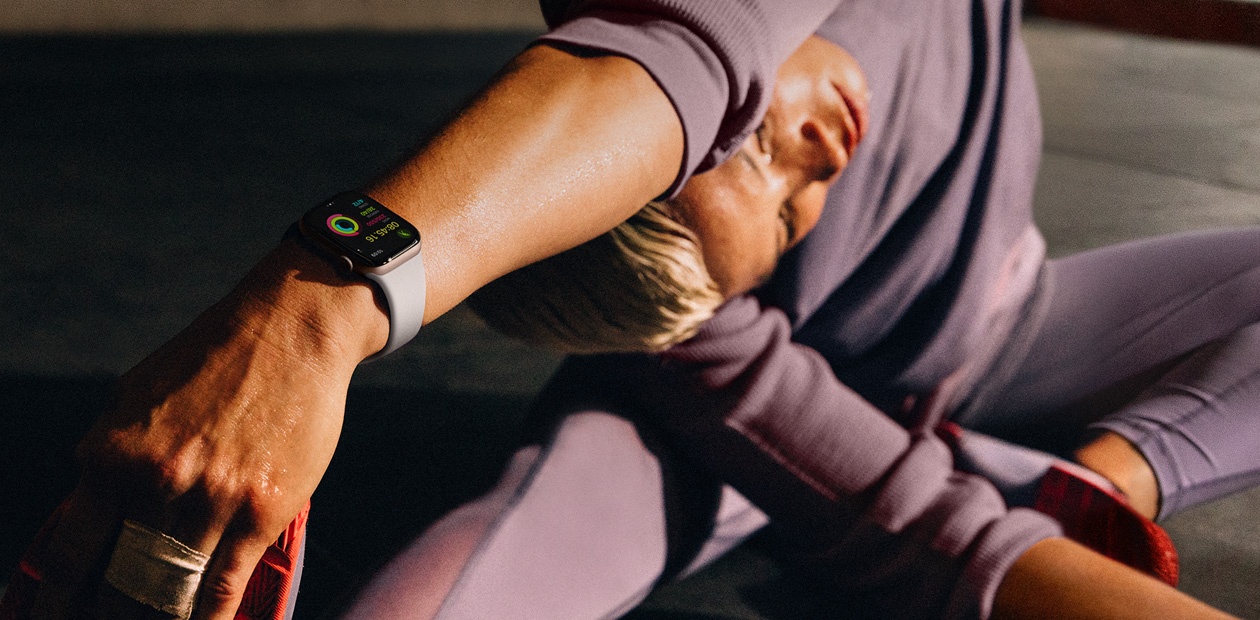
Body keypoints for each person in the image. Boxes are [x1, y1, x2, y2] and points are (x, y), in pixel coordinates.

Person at [6, 1, 1258, 620]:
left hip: (1022, 315)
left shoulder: (737, 62)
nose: (812, 153)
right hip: (765, 406)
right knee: (526, 540)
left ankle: (1093, 470)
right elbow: (925, 532)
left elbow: (688, 53)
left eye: (746, 146)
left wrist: (1100, 492)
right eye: (775, 212)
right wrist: (311, 310)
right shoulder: (693, 323)